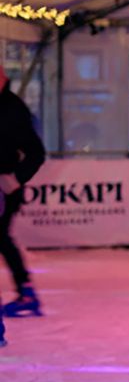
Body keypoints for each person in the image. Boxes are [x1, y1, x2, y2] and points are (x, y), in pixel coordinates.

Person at [0, 63, 46, 323]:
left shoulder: (12, 109)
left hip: (4, 189)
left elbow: (36, 153)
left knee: (0, 236)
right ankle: (26, 291)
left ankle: (26, 292)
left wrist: (15, 178)